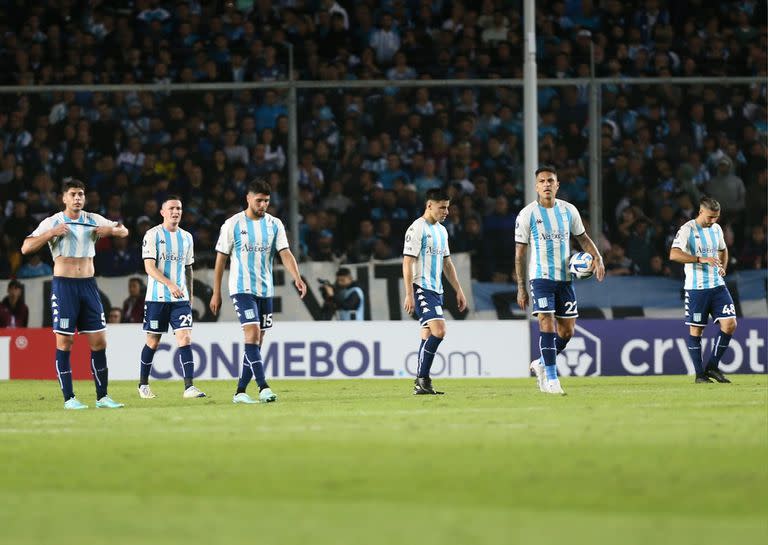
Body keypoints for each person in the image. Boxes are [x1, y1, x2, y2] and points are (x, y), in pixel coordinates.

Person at [20, 178, 127, 409]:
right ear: (64, 198)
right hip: (65, 286)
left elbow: (124, 230)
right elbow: (26, 247)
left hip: (88, 285)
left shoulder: (92, 219)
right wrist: (51, 234)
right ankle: (69, 398)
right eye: (73, 194)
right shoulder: (53, 222)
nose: (78, 198)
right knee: (65, 342)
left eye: (81, 194)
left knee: (99, 341)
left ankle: (102, 397)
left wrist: (110, 231)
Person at [209, 179, 307, 404]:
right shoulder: (232, 224)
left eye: (266, 201)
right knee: (252, 335)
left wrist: (297, 278)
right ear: (248, 198)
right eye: (259, 200)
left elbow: (285, 253)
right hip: (242, 289)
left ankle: (240, 391)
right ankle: (264, 387)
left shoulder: (274, 224)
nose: (263, 205)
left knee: (257, 342)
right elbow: (220, 260)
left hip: (265, 290)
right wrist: (216, 292)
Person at [515, 166, 605, 396]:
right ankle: (553, 380)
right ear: (536, 186)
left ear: (557, 185)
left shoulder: (568, 211)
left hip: (565, 279)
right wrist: (521, 287)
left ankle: (542, 364)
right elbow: (520, 254)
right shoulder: (528, 214)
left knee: (567, 333)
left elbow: (583, 238)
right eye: (542, 181)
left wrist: (598, 258)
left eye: (550, 181)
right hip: (541, 278)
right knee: (546, 322)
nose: (546, 184)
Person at [138, 195, 206, 399]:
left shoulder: (186, 237)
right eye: (172, 209)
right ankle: (143, 384)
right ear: (162, 212)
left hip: (180, 300)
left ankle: (189, 387)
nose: (176, 212)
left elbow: (188, 269)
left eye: (179, 208)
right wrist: (169, 284)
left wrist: (190, 296)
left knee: (185, 338)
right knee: (153, 341)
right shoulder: (152, 235)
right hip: (157, 298)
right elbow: (149, 267)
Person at [402, 187, 468, 395]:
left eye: (447, 207)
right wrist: (409, 293)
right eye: (442, 207)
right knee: (440, 331)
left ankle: (422, 383)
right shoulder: (416, 228)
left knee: (427, 334)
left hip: (437, 290)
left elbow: (447, 264)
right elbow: (407, 262)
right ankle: (422, 378)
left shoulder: (441, 230)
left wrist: (458, 289)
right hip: (422, 287)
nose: (446, 212)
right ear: (429, 205)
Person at [669, 197, 736, 384]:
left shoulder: (716, 229)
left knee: (730, 324)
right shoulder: (687, 229)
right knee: (697, 331)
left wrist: (723, 266)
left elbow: (723, 249)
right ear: (700, 212)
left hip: (717, 285)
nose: (713, 221)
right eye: (710, 217)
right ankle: (700, 375)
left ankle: (713, 367)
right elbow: (673, 254)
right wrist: (700, 259)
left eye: (716, 217)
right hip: (697, 288)